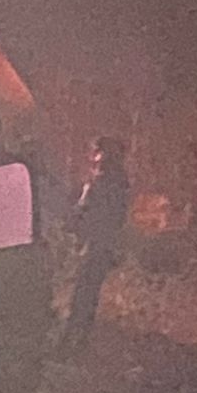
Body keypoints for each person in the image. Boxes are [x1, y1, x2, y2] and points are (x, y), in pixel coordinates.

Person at [61, 135, 130, 355]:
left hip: (94, 244)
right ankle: (79, 337)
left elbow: (83, 212)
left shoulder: (99, 182)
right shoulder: (121, 182)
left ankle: (71, 338)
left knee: (83, 292)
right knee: (89, 293)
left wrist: (72, 221)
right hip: (105, 244)